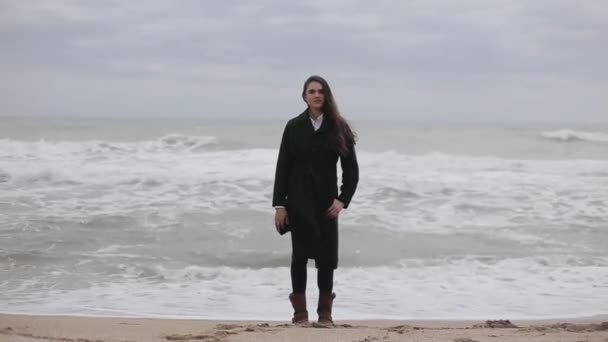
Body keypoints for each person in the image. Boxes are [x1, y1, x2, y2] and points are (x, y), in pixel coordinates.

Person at [272, 75, 359, 325]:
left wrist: (342, 200)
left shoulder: (338, 127)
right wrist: (280, 205)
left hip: (326, 204)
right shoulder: (293, 126)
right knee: (299, 257)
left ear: (326, 94)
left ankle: (325, 314)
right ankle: (300, 314)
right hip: (297, 202)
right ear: (304, 96)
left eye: (321, 91)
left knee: (326, 259)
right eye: (311, 91)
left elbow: (351, 170)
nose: (316, 95)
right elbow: (283, 167)